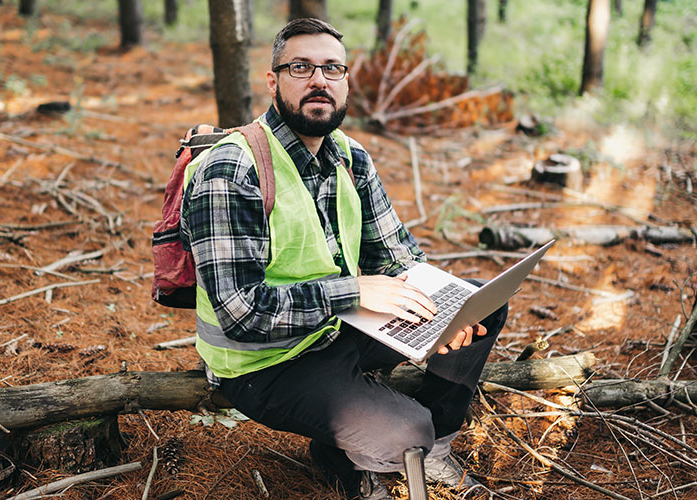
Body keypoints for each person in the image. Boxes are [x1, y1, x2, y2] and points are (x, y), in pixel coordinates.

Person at [180, 18, 506, 500]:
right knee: (407, 430)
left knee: (481, 305)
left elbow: (399, 256)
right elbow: (239, 314)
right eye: (301, 67)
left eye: (332, 68)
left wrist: (446, 309)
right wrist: (352, 291)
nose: (319, 80)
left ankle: (425, 451)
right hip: (264, 364)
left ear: (346, 80)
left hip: (337, 327)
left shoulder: (350, 158)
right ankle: (392, 444)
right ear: (273, 82)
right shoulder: (232, 169)